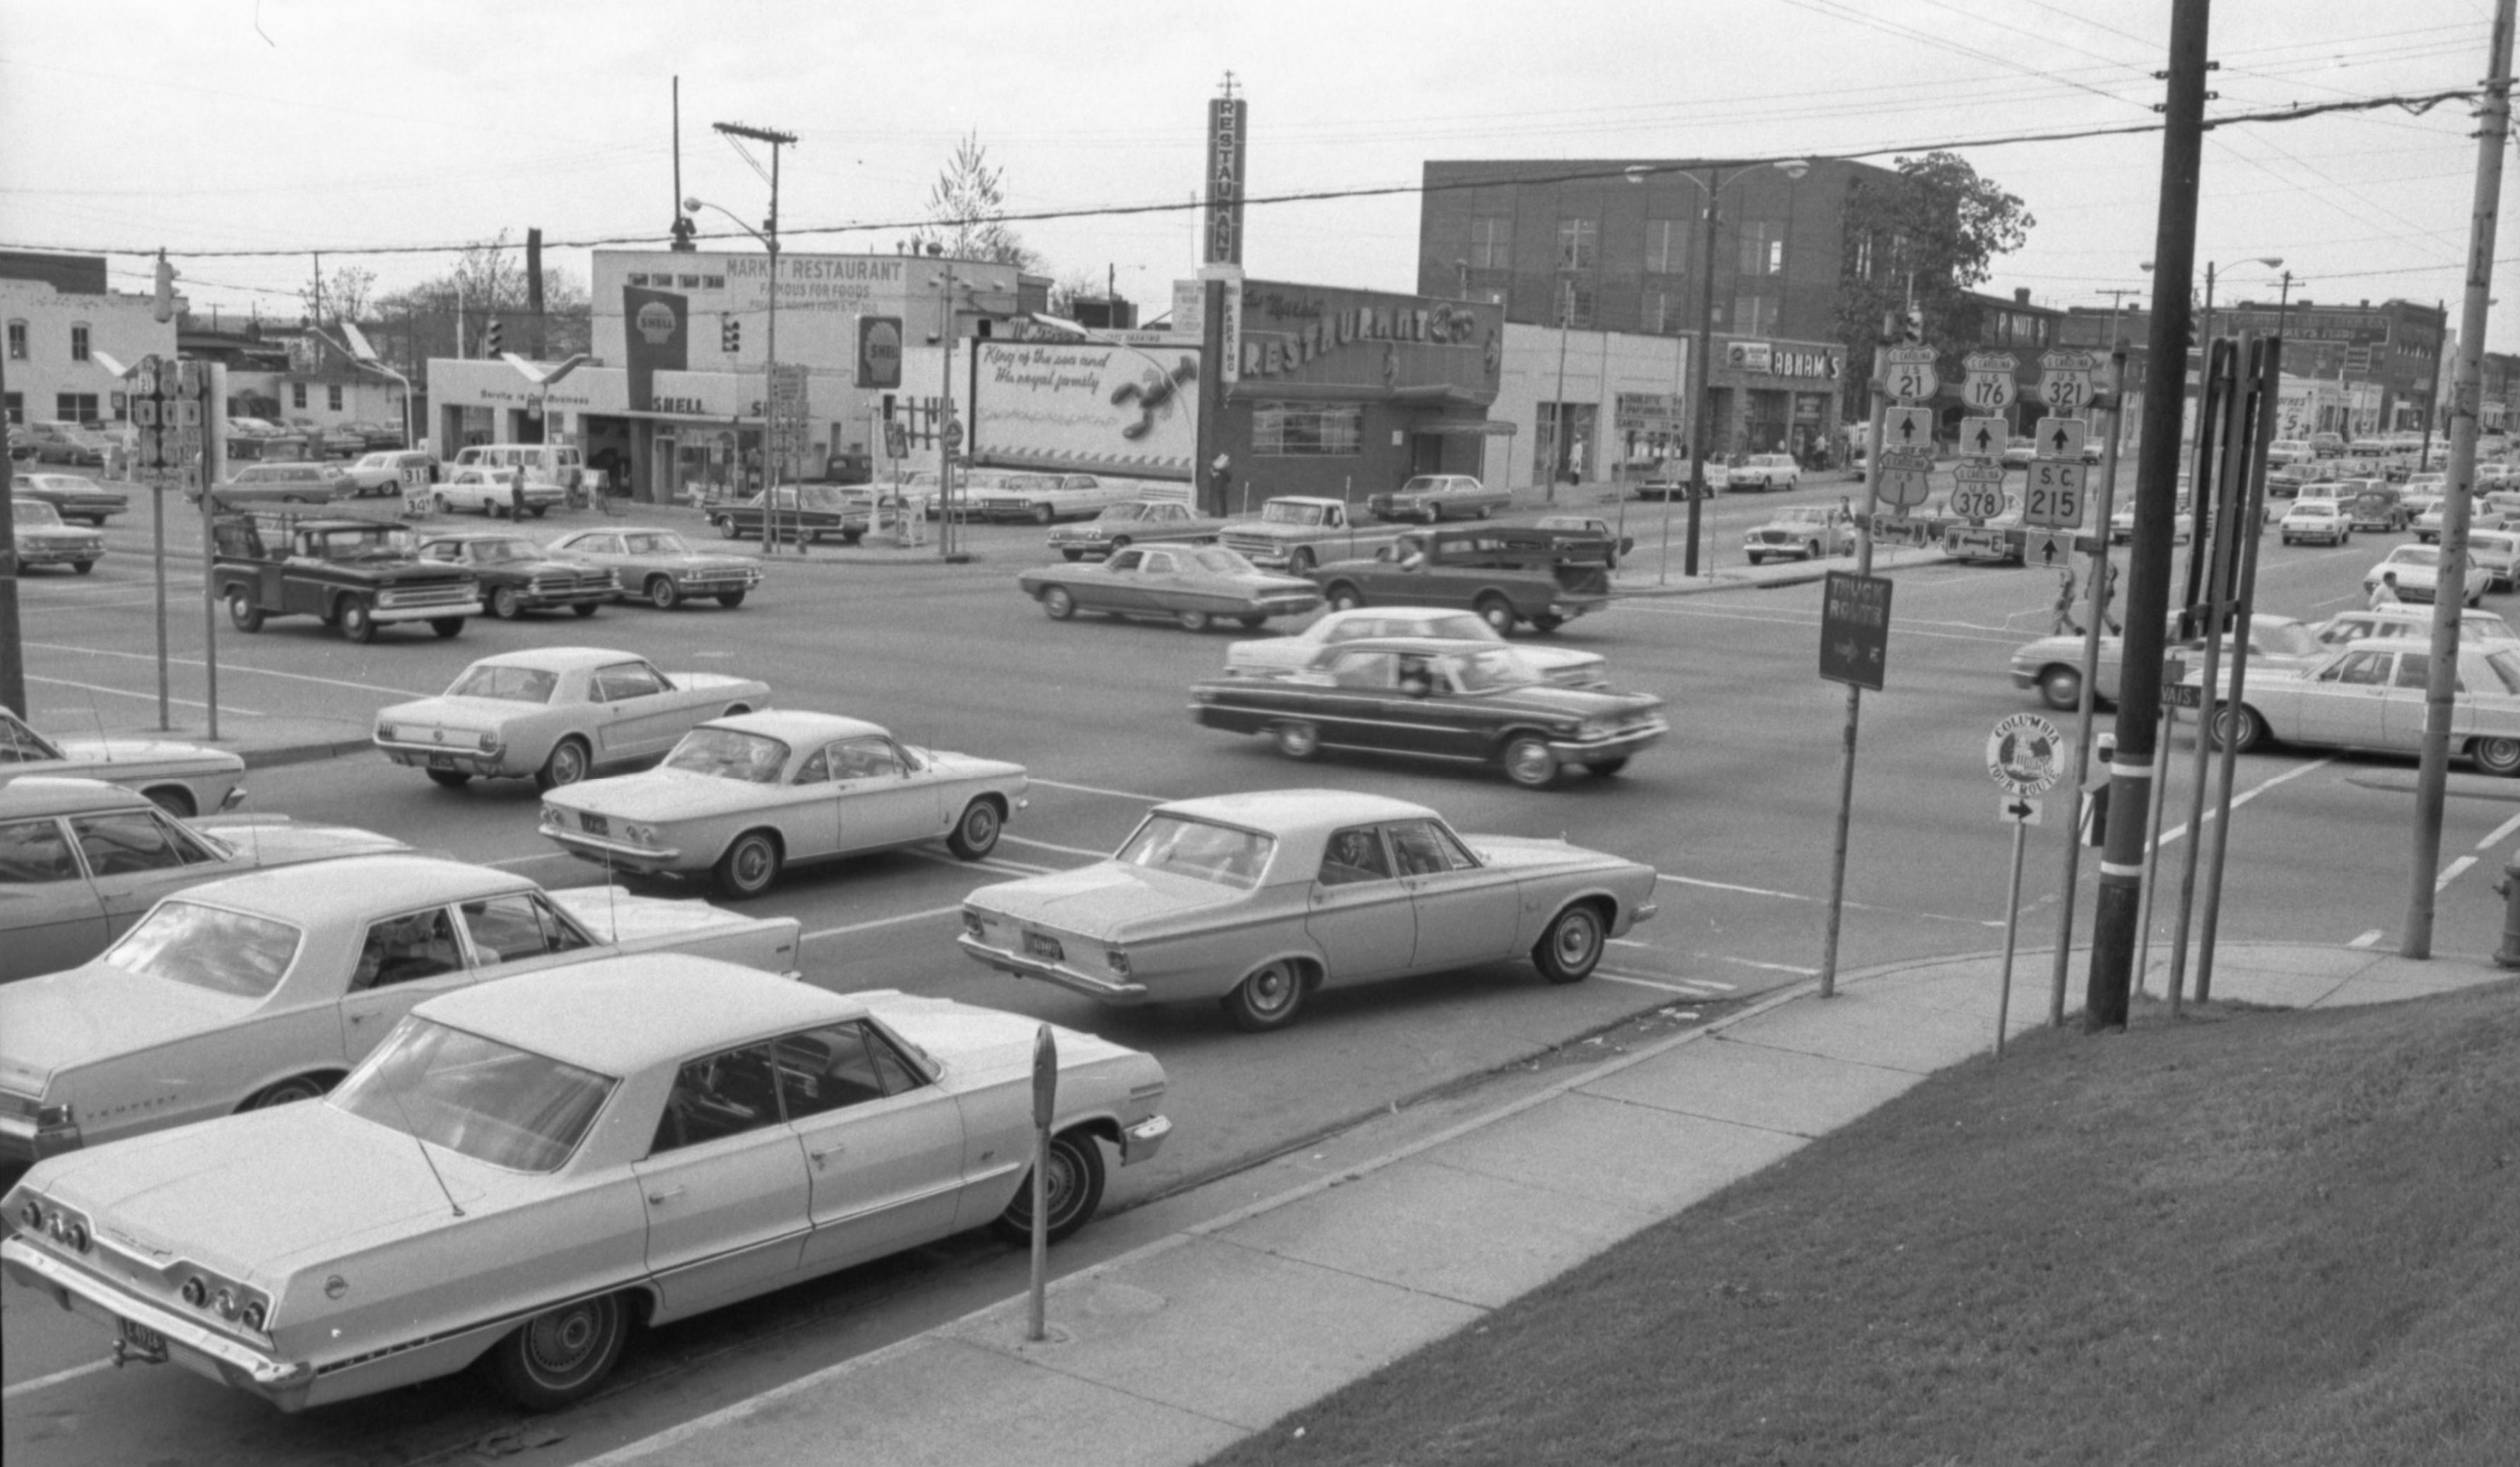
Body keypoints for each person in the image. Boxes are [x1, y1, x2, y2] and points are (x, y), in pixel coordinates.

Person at [2051, 565, 2083, 636]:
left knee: (2058, 613)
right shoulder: (2067, 567)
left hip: (2066, 592)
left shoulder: (2066, 567)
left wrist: (2063, 598)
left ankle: (2055, 634)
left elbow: (2067, 583)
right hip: (2068, 592)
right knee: (2064, 614)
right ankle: (2076, 629)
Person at [2098, 559, 2123, 635]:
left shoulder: (2098, 561)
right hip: (2108, 583)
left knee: (2099, 608)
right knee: (2104, 610)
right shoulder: (2110, 562)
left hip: (2100, 583)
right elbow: (2116, 572)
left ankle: (2115, 625)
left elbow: (2093, 574)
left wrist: (2088, 587)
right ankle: (2114, 629)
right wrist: (2111, 582)